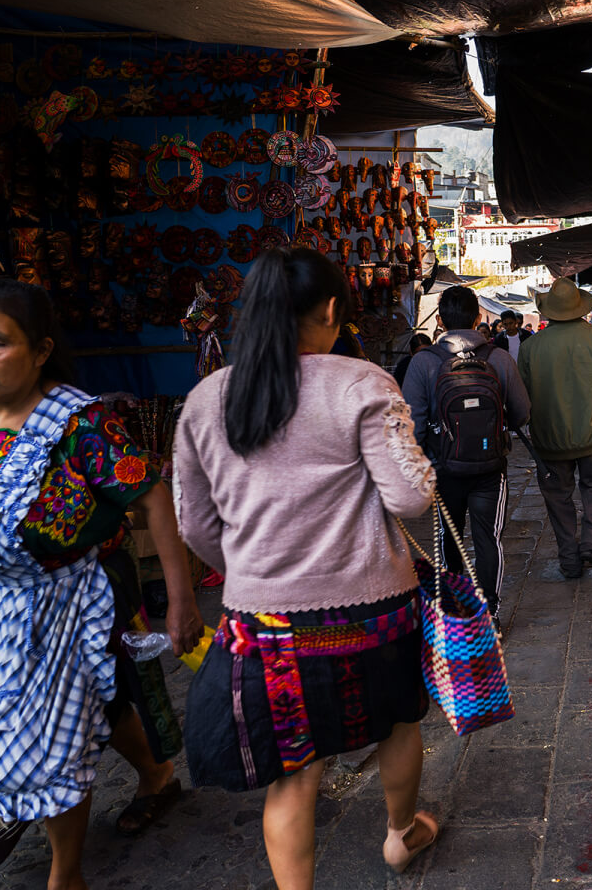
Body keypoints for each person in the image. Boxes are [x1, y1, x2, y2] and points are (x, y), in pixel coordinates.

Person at [174, 248, 439, 887]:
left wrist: (252, 570)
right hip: (374, 607)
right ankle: (401, 836)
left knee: (294, 771)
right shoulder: (362, 382)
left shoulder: (207, 398)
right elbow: (409, 496)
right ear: (329, 310)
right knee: (399, 723)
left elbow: (195, 525)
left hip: (263, 619)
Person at [0, 279, 203, 887]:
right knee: (89, 704)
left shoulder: (81, 425)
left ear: (41, 350)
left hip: (66, 603)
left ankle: (65, 875)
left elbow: (152, 498)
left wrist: (180, 602)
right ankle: (156, 773)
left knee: (50, 737)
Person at [403, 286, 530, 618]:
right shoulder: (498, 358)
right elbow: (522, 413)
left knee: (449, 537)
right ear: (478, 318)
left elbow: (411, 424)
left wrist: (422, 464)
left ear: (441, 321)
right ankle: (490, 615)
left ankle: (455, 611)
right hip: (490, 468)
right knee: (488, 539)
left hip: (444, 467)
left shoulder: (423, 362)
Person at [517, 279, 592, 579]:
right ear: (579, 308)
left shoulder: (530, 346)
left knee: (558, 497)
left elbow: (522, 395)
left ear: (549, 311)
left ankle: (568, 557)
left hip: (549, 440)